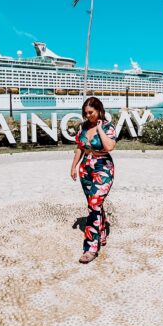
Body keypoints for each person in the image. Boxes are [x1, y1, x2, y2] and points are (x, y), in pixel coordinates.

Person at [70, 97, 117, 264]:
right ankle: (102, 231)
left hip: (103, 168)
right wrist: (74, 166)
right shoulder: (83, 127)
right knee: (93, 204)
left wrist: (99, 129)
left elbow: (110, 147)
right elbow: (79, 148)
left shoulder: (108, 127)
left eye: (91, 112)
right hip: (86, 168)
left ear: (99, 110)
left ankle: (90, 248)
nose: (87, 115)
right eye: (85, 113)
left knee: (94, 205)